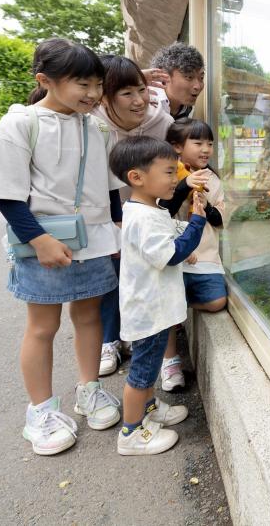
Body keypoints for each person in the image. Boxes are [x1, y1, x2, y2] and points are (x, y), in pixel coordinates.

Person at [0, 38, 123, 456]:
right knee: (42, 327)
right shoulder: (19, 124)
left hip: (94, 238)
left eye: (98, 83)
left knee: (90, 317)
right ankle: (40, 412)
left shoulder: (97, 127)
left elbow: (111, 190)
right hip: (42, 241)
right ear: (45, 80)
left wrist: (116, 231)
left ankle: (89, 390)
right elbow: (6, 194)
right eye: (83, 83)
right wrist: (38, 239)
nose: (94, 94)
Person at [109, 136, 207, 455]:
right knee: (142, 372)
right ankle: (132, 433)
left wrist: (183, 237)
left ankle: (149, 411)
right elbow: (171, 254)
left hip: (155, 308)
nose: (176, 179)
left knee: (149, 368)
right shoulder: (144, 216)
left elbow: (167, 239)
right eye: (169, 172)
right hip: (150, 311)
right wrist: (197, 222)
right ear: (136, 177)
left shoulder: (148, 209)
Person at [92, 54, 175, 377]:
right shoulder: (94, 124)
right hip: (109, 214)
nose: (139, 100)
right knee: (113, 277)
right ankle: (109, 340)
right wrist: (113, 220)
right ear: (105, 95)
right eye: (126, 93)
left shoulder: (161, 123)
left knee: (150, 281)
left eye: (141, 90)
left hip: (150, 216)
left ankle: (157, 350)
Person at [159, 118, 228, 392]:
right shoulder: (167, 174)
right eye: (198, 142)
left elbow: (221, 219)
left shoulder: (213, 179)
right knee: (168, 313)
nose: (206, 149)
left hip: (205, 255)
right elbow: (163, 208)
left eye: (209, 143)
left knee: (216, 302)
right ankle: (170, 362)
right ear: (177, 146)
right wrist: (185, 184)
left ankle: (184, 306)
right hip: (174, 255)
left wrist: (205, 205)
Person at [147, 43, 205, 120]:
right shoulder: (146, 103)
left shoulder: (188, 109)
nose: (198, 86)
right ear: (164, 75)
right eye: (189, 77)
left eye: (201, 78)